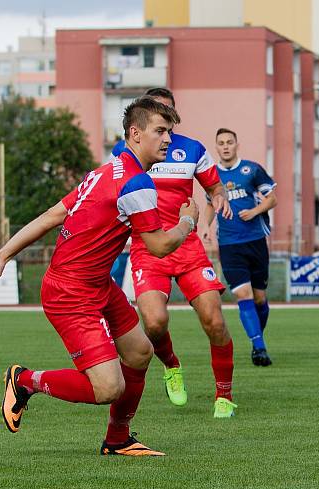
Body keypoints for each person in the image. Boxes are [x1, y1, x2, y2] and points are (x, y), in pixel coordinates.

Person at [0, 97, 197, 456]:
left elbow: (51, 216)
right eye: (161, 131)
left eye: (170, 132)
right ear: (136, 133)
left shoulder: (103, 173)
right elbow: (158, 246)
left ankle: (117, 440)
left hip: (96, 284)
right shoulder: (135, 183)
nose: (169, 140)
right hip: (70, 293)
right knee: (108, 387)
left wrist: (3, 254)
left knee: (140, 352)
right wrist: (188, 221)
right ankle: (24, 380)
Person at [113, 88, 238, 418]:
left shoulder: (192, 149)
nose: (166, 128)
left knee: (214, 319)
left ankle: (224, 396)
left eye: (169, 117)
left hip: (188, 247)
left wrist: (219, 197)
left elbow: (214, 186)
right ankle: (171, 365)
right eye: (159, 118)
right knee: (154, 323)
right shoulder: (128, 152)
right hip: (148, 247)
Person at [205, 128, 277, 367]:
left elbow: (272, 198)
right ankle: (259, 348)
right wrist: (205, 226)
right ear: (216, 147)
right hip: (229, 244)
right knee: (242, 294)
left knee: (259, 298)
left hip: (255, 241)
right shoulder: (212, 175)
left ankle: (258, 336)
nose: (225, 146)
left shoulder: (251, 170)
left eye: (229, 142)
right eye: (221, 143)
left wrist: (254, 211)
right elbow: (209, 203)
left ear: (237, 145)